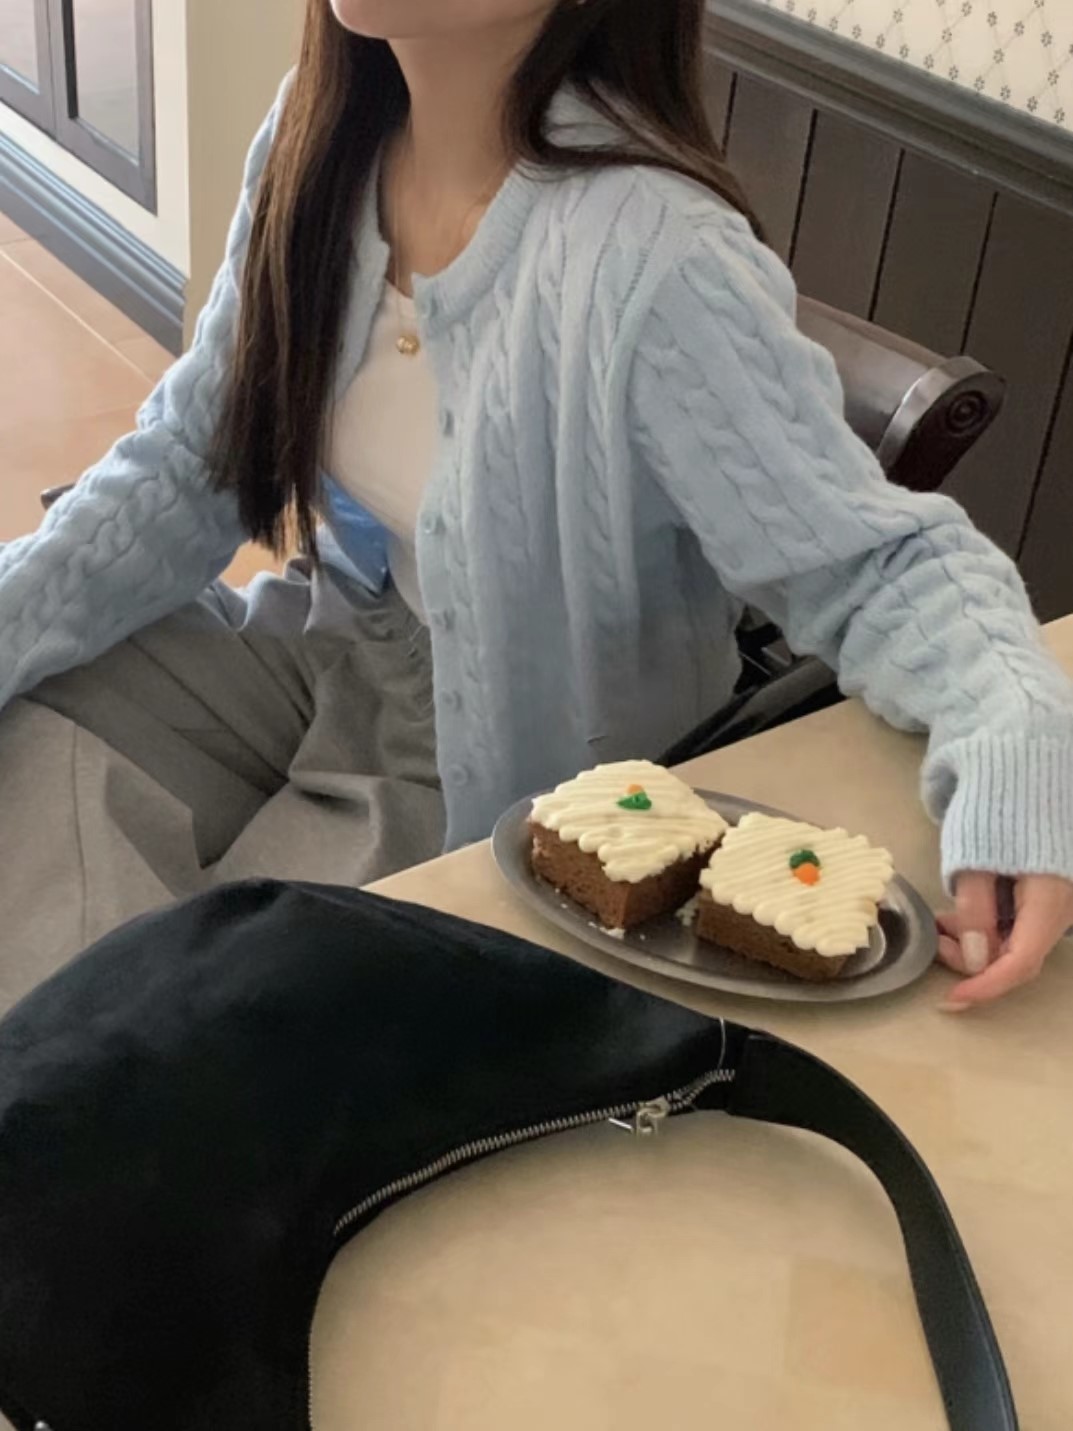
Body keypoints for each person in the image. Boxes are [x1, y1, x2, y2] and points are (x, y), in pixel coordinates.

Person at [0, 0, 1070, 1010]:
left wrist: (1017, 748)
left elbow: (874, 563)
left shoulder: (655, 260)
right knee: (36, 718)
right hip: (328, 646)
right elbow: (186, 464)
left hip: (497, 765)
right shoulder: (317, 139)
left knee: (209, 994)